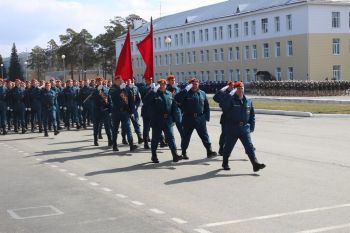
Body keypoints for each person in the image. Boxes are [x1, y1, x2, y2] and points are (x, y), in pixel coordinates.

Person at [219, 81, 266, 172]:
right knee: (228, 146)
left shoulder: (248, 100)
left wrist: (252, 126)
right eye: (238, 89)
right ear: (235, 90)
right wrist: (229, 96)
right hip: (233, 127)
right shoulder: (231, 100)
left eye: (242, 88)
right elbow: (224, 107)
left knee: (249, 146)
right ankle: (225, 162)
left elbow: (252, 115)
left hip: (244, 128)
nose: (240, 90)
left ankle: (255, 164)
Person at [175, 77, 217, 159]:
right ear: (190, 84)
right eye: (193, 83)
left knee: (205, 136)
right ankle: (184, 152)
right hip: (188, 118)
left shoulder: (202, 93)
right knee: (186, 137)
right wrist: (185, 90)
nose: (195, 84)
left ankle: (209, 151)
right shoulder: (186, 93)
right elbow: (177, 99)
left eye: (197, 83)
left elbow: (206, 106)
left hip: (200, 118)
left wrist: (206, 117)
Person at [144, 79, 182, 163]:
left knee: (171, 138)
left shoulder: (169, 94)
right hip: (157, 120)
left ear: (166, 85)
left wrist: (175, 119)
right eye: (161, 84)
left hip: (167, 120)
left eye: (164, 84)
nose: (162, 86)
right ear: (158, 85)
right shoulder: (154, 94)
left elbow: (173, 107)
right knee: (155, 139)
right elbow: (146, 102)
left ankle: (175, 155)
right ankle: (154, 155)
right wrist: (152, 91)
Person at [109, 76, 138, 152]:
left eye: (120, 80)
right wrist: (120, 89)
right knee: (115, 129)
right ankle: (114, 145)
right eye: (118, 80)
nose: (119, 81)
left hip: (125, 112)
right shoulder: (112, 89)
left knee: (128, 128)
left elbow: (130, 100)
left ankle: (131, 144)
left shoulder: (126, 88)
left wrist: (132, 111)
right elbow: (113, 96)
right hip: (116, 112)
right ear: (115, 81)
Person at [213, 81, 236, 156]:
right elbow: (215, 98)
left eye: (233, 86)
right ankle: (221, 148)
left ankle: (249, 148)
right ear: (227, 86)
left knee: (239, 134)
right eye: (231, 86)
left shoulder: (235, 93)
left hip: (235, 117)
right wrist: (221, 91)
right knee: (224, 134)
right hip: (226, 117)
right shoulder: (224, 94)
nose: (232, 87)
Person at [91, 76, 112, 146]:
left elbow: (109, 99)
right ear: (96, 82)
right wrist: (98, 91)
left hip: (105, 110)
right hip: (97, 110)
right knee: (96, 126)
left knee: (107, 126)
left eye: (101, 81)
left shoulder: (106, 89)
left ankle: (110, 140)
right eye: (98, 81)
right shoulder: (94, 90)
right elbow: (93, 98)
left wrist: (110, 110)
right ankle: (95, 140)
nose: (99, 82)